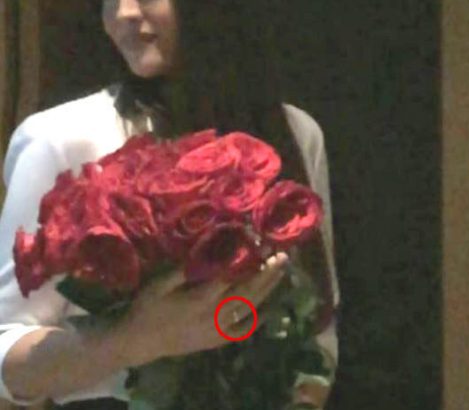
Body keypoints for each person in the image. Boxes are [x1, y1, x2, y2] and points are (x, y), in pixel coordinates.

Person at [0, 0, 340, 409]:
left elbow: (320, 324)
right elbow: (6, 350)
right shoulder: (61, 139)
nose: (124, 13)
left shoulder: (295, 132)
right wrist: (134, 339)